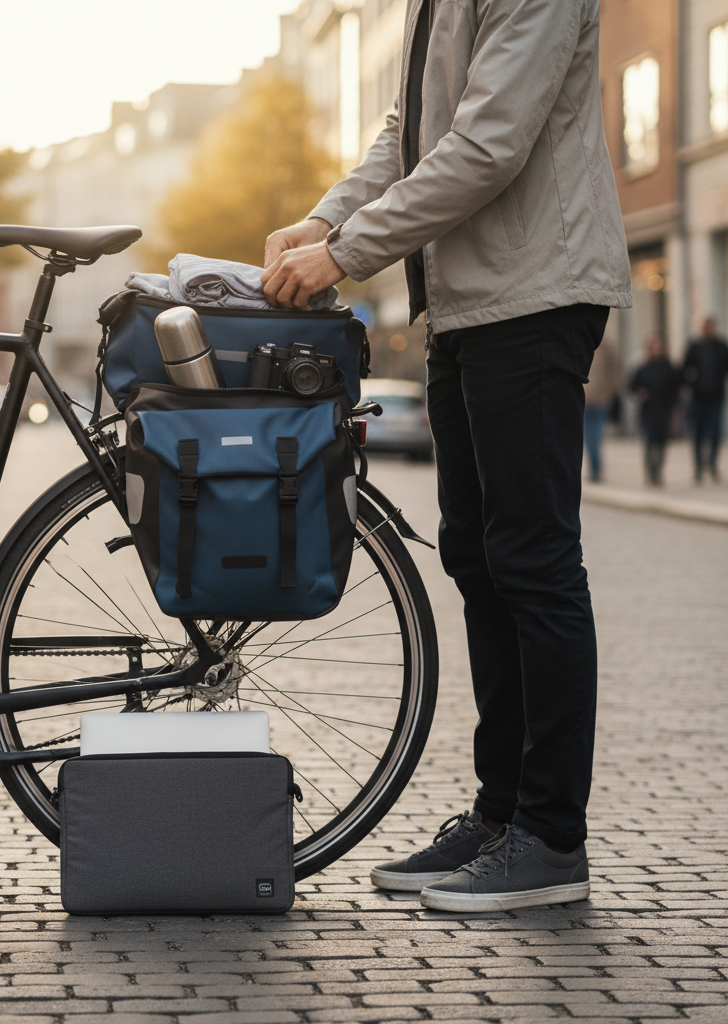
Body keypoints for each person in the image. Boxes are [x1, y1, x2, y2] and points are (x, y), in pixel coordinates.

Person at [261, 0, 631, 912]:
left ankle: (550, 839)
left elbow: (488, 143)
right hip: (469, 299)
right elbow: (412, 134)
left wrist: (348, 252)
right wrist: (323, 219)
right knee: (477, 557)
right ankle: (501, 815)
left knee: (535, 563)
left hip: (535, 292)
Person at [682, 316, 728, 483]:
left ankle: (712, 464)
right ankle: (698, 468)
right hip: (697, 398)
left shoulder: (721, 347)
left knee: (716, 433)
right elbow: (684, 369)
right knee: (698, 434)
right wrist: (691, 385)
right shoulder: (694, 347)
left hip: (716, 397)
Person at [630, 336, 679, 487]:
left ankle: (658, 471)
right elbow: (631, 385)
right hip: (648, 411)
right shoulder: (643, 368)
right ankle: (650, 472)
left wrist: (674, 405)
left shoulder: (668, 367)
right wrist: (640, 393)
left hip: (664, 409)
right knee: (649, 442)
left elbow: (676, 386)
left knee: (663, 442)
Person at [583, 332, 622, 483]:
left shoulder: (583, 340)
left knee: (591, 435)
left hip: (591, 397)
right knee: (595, 434)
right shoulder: (607, 344)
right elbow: (616, 371)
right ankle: (595, 468)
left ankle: (595, 468)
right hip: (598, 397)